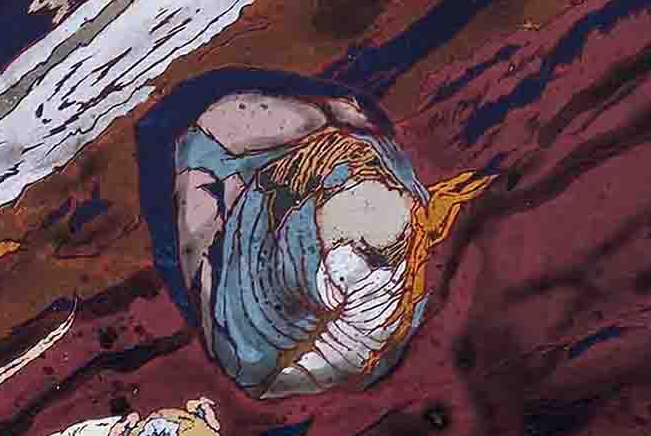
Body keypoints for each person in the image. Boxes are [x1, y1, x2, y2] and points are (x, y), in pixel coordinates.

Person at [143, 76, 477, 394]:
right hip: (264, 208)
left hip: (255, 310)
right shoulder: (338, 156)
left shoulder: (383, 278)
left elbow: (334, 360)